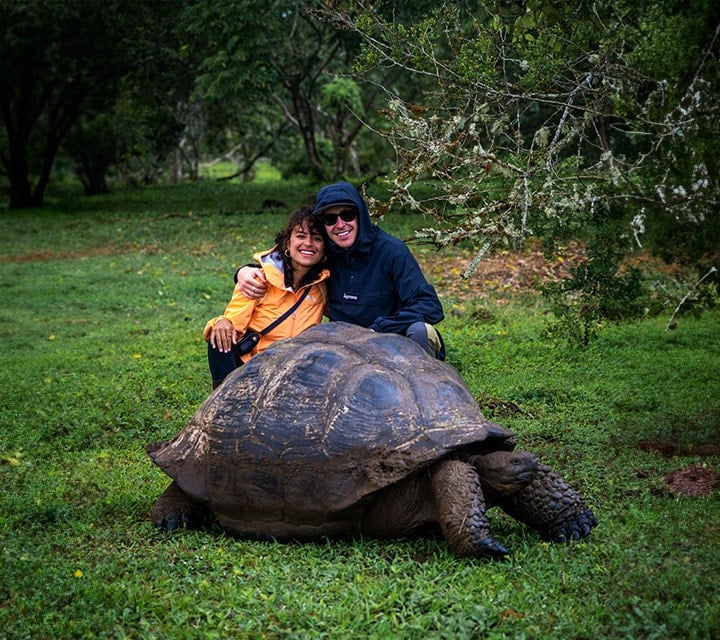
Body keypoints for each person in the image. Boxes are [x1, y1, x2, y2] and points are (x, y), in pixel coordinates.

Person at [236, 181, 445, 359]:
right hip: (344, 348)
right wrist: (244, 270)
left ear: (360, 214)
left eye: (347, 215)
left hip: (392, 340)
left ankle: (428, 393)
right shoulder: (326, 254)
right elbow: (287, 264)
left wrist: (378, 329)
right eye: (329, 219)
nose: (340, 224)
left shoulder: (392, 252)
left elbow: (430, 306)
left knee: (420, 331)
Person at [205, 205, 329, 388]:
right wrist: (222, 323)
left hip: (294, 370)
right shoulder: (258, 278)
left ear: (324, 247)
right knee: (219, 334)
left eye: (316, 238)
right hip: (252, 368)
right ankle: (223, 397)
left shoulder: (322, 287)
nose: (308, 243)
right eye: (301, 236)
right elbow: (233, 320)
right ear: (288, 243)